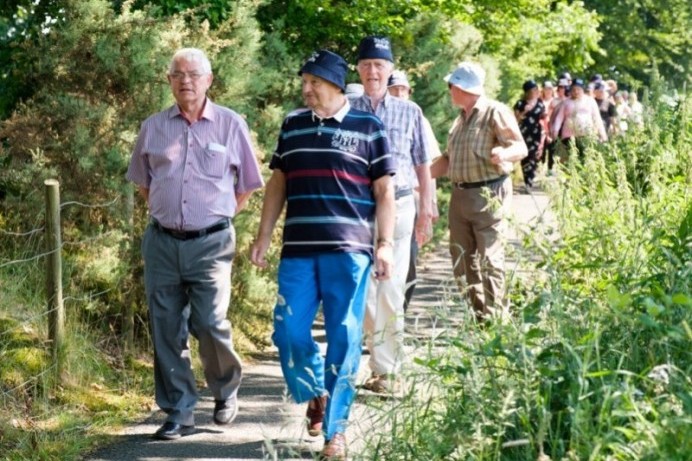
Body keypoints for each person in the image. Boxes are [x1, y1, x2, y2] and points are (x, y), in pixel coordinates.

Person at [249, 49, 396, 460]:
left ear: (334, 84)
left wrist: (384, 244)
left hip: (349, 252)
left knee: (345, 339)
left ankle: (336, 432)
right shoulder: (293, 125)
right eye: (304, 83)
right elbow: (278, 182)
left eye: (314, 82)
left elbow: (384, 191)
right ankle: (316, 390)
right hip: (297, 249)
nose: (306, 90)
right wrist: (263, 235)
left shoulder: (369, 126)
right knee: (289, 333)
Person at [126, 47, 264, 440]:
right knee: (166, 327)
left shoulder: (230, 124)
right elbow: (145, 183)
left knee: (210, 322)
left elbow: (248, 186)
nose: (185, 80)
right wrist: (169, 214)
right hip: (162, 243)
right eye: (177, 74)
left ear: (209, 80)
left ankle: (224, 390)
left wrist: (215, 217)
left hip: (211, 244)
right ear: (168, 80)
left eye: (193, 74)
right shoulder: (153, 126)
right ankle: (179, 411)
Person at [349, 36, 434, 394]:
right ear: (358, 69)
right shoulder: (346, 108)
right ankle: (371, 356)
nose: (372, 71)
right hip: (355, 206)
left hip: (399, 205)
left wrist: (426, 208)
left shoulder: (409, 110)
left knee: (390, 289)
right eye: (366, 64)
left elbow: (422, 163)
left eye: (379, 65)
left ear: (390, 70)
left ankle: (387, 371)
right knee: (360, 289)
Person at [430, 62, 527, 320]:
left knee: (489, 259)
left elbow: (520, 147)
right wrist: (415, 178)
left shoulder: (495, 111)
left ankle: (498, 321)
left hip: (489, 194)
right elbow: (448, 159)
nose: (449, 90)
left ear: (461, 87)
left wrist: (504, 153)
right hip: (460, 196)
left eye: (451, 85)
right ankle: (479, 317)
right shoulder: (459, 120)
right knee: (462, 260)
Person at [386, 70, 441, 311]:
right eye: (394, 89)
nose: (398, 93)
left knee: (408, 260)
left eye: (402, 89)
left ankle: (400, 311)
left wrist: (430, 207)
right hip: (382, 199)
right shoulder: (377, 115)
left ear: (409, 92)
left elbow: (428, 166)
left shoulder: (417, 117)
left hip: (413, 196)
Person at [551, 78, 607, 164]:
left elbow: (597, 118)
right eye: (574, 89)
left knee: (586, 160)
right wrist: (555, 132)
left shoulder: (590, 101)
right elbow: (559, 118)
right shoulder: (566, 102)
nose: (576, 92)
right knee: (571, 161)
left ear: (582, 89)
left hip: (586, 136)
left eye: (578, 89)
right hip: (569, 137)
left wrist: (603, 135)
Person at [514, 79, 546, 192]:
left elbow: (544, 118)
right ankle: (527, 180)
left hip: (536, 133)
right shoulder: (520, 103)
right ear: (526, 92)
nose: (534, 92)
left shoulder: (540, 103)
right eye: (531, 90)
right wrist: (524, 112)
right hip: (523, 133)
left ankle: (530, 182)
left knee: (534, 156)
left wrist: (545, 133)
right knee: (525, 157)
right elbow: (515, 119)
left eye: (535, 90)